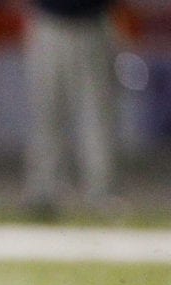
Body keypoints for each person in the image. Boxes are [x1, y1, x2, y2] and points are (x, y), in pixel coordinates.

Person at [22, 0, 119, 219]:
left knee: (98, 115)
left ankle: (100, 191)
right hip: (51, 22)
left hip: (93, 23)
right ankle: (44, 190)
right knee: (47, 113)